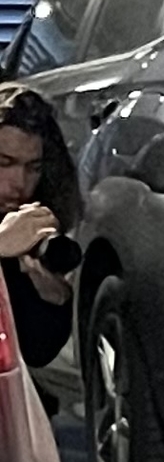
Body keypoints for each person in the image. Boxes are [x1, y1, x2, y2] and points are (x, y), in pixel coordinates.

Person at [0, 83, 78, 371]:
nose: (19, 183)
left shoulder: (28, 223)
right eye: (4, 163)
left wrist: (53, 300)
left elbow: (36, 352)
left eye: (33, 168)